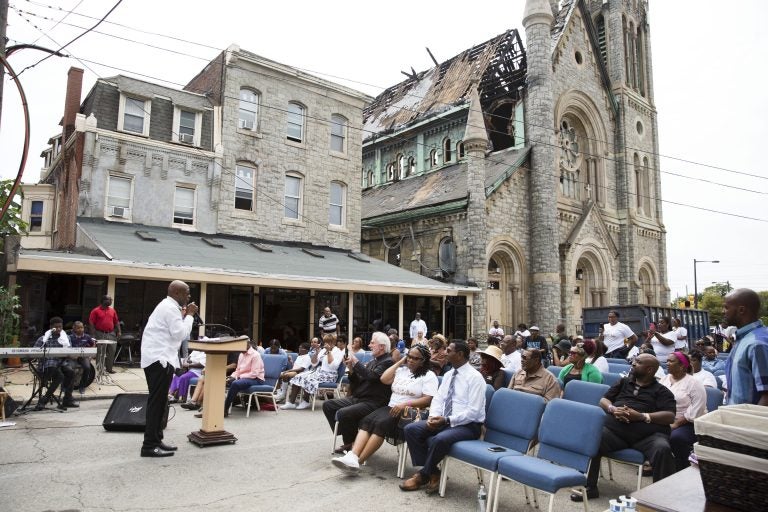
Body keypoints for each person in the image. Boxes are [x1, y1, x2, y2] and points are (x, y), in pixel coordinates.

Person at [571, 354, 676, 502]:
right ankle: (590, 487)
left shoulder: (662, 391)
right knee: (593, 437)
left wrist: (640, 416)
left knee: (663, 449)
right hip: (616, 433)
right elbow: (603, 399)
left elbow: (670, 416)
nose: (633, 364)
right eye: (634, 361)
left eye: (638, 362)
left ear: (649, 370)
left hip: (647, 437)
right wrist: (613, 409)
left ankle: (662, 498)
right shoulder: (624, 382)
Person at [331, 345, 438, 472]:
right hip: (391, 407)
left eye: (415, 358)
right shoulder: (402, 370)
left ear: (423, 360)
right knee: (367, 421)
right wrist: (399, 362)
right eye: (409, 356)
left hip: (409, 411)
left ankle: (357, 462)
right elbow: (384, 379)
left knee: (380, 425)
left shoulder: (429, 375)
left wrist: (405, 404)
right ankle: (353, 455)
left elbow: (428, 399)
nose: (410, 360)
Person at [400, 340, 486, 495]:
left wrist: (447, 420)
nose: (445, 352)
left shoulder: (475, 378)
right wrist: (433, 417)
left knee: (439, 439)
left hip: (468, 425)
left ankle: (422, 475)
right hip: (444, 420)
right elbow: (439, 399)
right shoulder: (448, 374)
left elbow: (474, 411)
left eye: (449, 350)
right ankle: (434, 472)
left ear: (460, 354)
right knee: (411, 429)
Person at [140, 280, 197, 457]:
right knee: (157, 403)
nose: (188, 297)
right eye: (187, 293)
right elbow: (180, 334)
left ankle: (157, 440)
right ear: (177, 293)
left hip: (160, 359)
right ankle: (149, 446)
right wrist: (190, 316)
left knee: (161, 402)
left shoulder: (168, 307)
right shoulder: (170, 308)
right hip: (159, 361)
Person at [323, 332, 394, 454]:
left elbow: (371, 376)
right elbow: (358, 382)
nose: (369, 345)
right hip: (359, 398)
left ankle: (349, 443)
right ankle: (350, 439)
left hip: (373, 402)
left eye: (372, 342)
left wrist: (355, 360)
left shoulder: (388, 362)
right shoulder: (373, 361)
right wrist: (351, 368)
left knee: (344, 413)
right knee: (328, 405)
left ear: (382, 346)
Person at [660, 351, 707, 472]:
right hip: (666, 419)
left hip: (689, 423)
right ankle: (659, 465)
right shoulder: (664, 379)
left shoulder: (693, 383)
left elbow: (698, 408)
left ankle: (685, 469)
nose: (667, 363)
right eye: (667, 361)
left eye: (671, 361)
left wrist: (676, 424)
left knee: (676, 438)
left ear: (682, 366)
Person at [723, 288, 768, 405]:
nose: (723, 311)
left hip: (747, 421)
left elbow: (766, 397)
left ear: (741, 310)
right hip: (735, 418)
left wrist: (750, 422)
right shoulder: (743, 339)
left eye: (726, 307)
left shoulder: (756, 344)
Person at [34, 317, 77, 410]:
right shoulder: (43, 338)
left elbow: (69, 352)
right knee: (59, 376)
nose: (58, 329)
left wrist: (72, 355)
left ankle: (67, 399)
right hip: (48, 364)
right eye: (56, 327)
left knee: (71, 373)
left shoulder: (66, 338)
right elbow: (34, 352)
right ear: (51, 327)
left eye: (60, 327)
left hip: (61, 363)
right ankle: (44, 400)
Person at [223, 341, 265, 416]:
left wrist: (238, 377)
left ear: (248, 344)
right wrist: (231, 377)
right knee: (222, 380)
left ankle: (224, 409)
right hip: (244, 378)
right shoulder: (241, 354)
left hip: (257, 379)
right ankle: (211, 408)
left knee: (235, 383)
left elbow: (254, 373)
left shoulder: (256, 355)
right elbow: (238, 370)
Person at [89, 295, 121, 374]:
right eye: (109, 299)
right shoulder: (95, 310)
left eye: (111, 300)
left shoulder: (112, 310)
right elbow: (91, 323)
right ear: (103, 300)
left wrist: (119, 331)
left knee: (112, 351)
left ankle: (109, 369)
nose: (111, 301)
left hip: (111, 333)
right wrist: (93, 335)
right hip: (100, 333)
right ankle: (100, 369)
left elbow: (116, 321)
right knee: (101, 352)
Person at [69, 320, 95, 394]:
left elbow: (93, 344)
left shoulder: (87, 336)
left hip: (83, 357)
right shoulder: (70, 337)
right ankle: (65, 386)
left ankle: (82, 386)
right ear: (74, 328)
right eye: (78, 328)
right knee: (68, 368)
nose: (80, 329)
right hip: (73, 357)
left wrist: (90, 353)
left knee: (87, 367)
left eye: (82, 327)